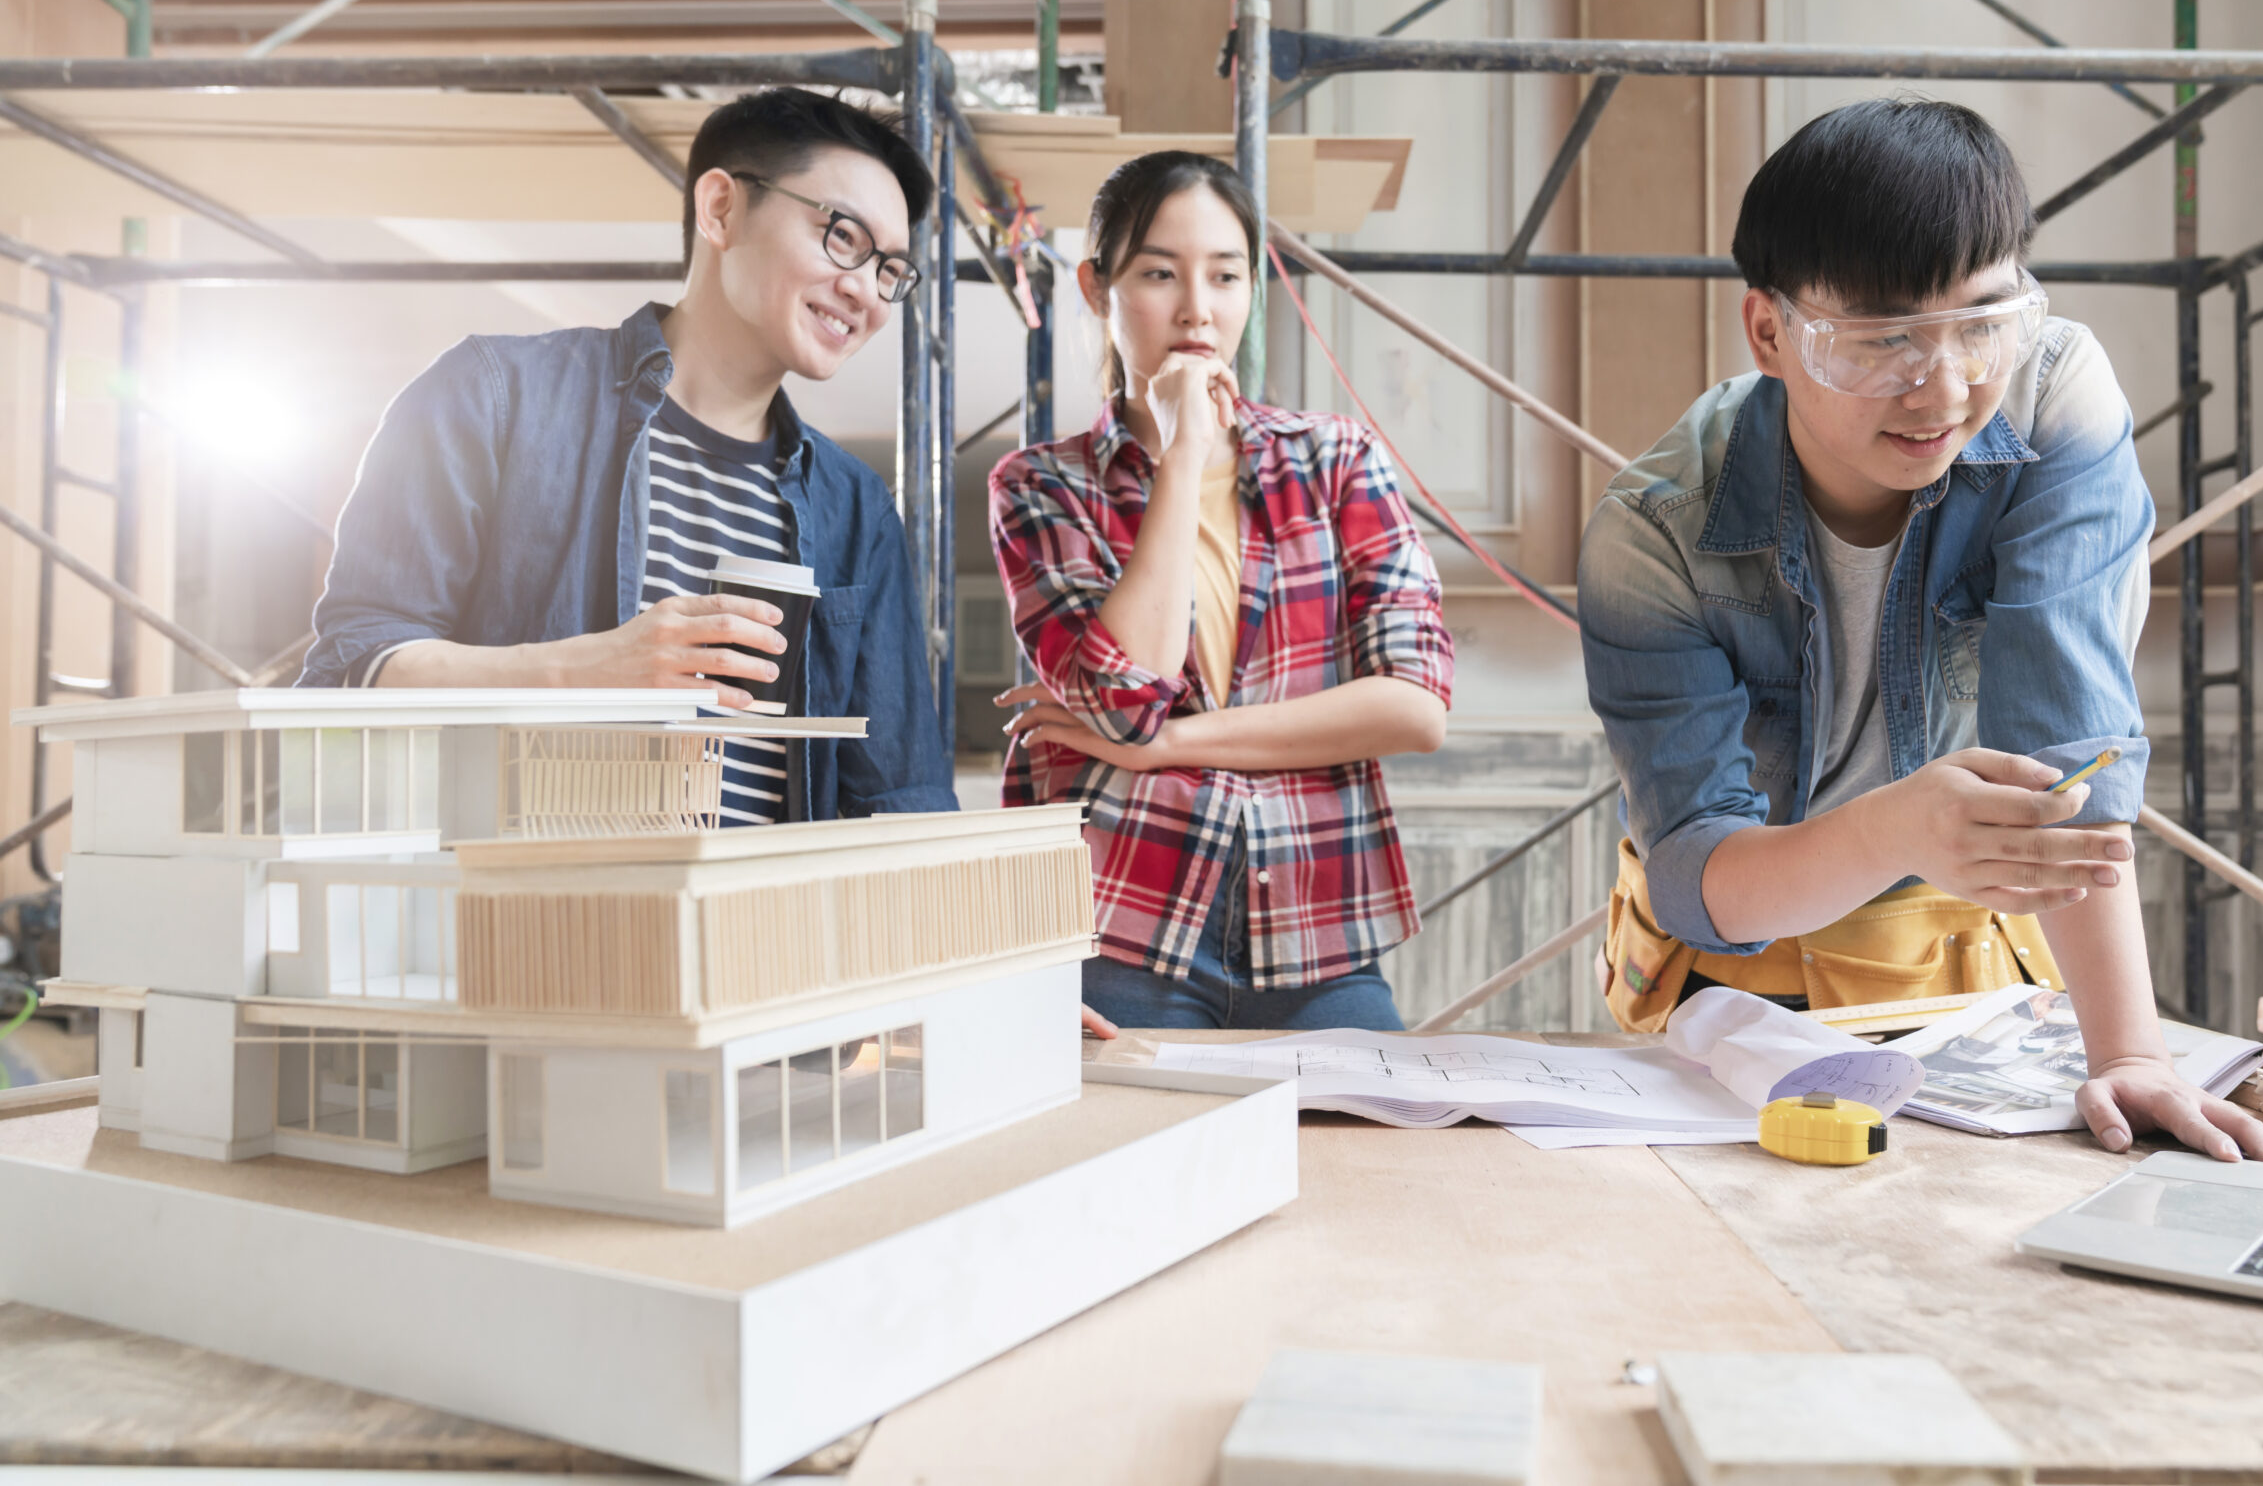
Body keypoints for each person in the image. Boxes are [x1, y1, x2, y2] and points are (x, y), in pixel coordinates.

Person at [1578, 97, 2263, 1165]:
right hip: (1742, 995)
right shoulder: (1652, 538)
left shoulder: (2052, 396)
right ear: (1769, 331)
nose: (1946, 387)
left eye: (1980, 324)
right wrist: (1894, 828)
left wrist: (2133, 1054)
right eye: (1882, 342)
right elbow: (1696, 874)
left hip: (1981, 972)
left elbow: (2067, 751)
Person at [301, 86, 956, 823]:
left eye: (890, 272)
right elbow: (348, 669)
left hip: (759, 932)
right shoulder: (495, 397)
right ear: (721, 210)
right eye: (843, 238)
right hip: (518, 920)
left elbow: (902, 797)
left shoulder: (858, 511)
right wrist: (582, 669)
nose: (865, 290)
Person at [990, 150, 1453, 1032]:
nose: (1198, 310)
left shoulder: (1336, 460)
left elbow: (1415, 707)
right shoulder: (1041, 487)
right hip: (1121, 922)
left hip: (1320, 933)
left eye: (1226, 275)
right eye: (1160, 273)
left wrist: (1168, 747)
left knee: (1371, 1163)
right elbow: (1126, 703)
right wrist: (1181, 455)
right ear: (1097, 287)